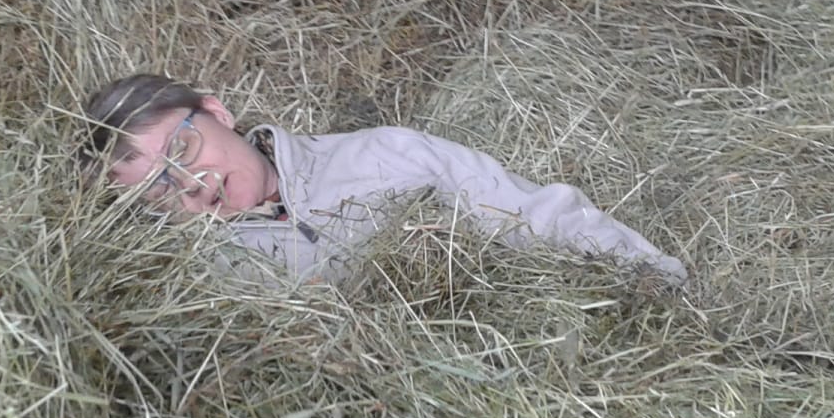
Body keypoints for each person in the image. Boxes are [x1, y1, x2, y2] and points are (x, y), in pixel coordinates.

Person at [79, 74, 687, 285]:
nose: (190, 183)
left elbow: (536, 215)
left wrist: (652, 279)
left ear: (216, 113)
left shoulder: (383, 156)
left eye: (183, 148)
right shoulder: (212, 283)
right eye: (159, 186)